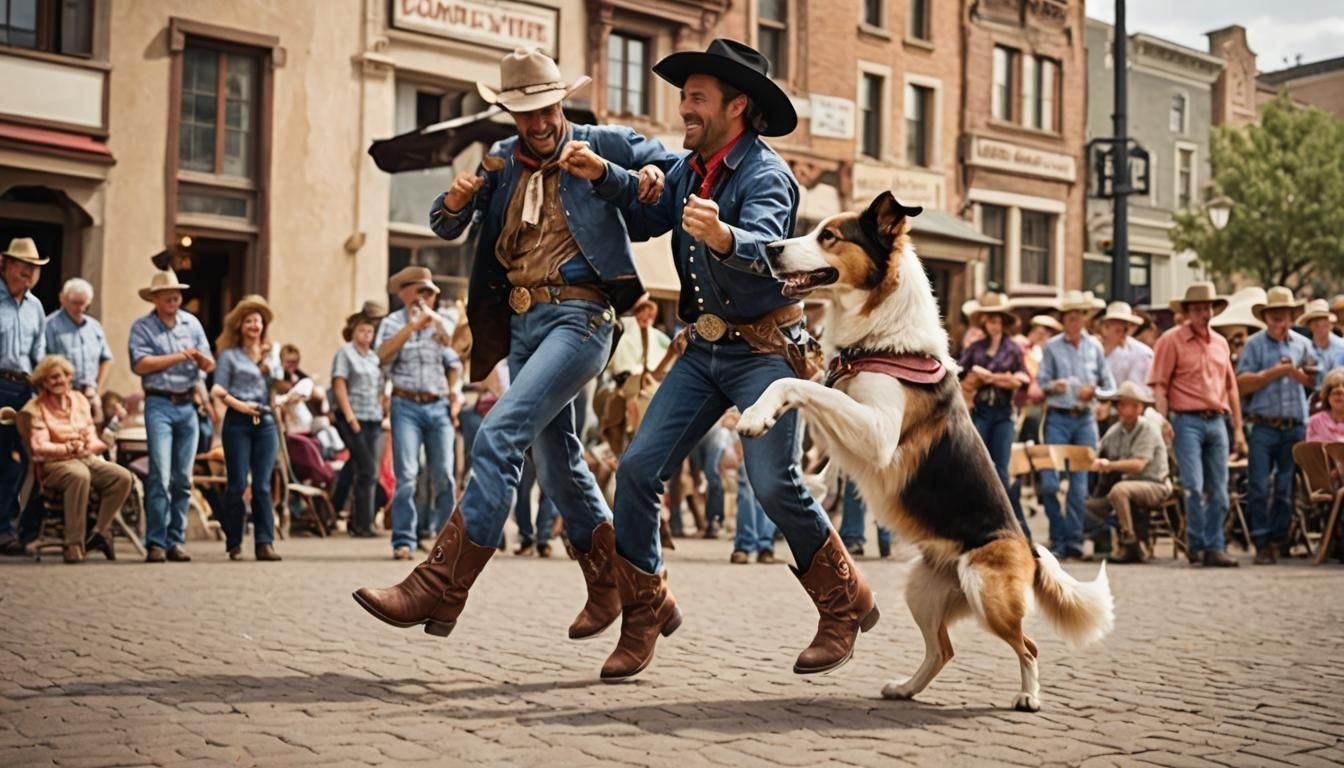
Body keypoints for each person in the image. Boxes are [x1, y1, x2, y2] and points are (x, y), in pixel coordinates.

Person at [564, 38, 875, 681]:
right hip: (703, 349)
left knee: (771, 483)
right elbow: (648, 208)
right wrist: (604, 175)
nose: (684, 108)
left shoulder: (766, 174)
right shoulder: (688, 168)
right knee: (639, 469)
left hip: (766, 353)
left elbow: (770, 244)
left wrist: (725, 236)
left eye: (696, 97)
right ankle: (644, 615)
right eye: (684, 96)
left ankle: (844, 606)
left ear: (737, 106)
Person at [354, 48, 674, 646]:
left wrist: (641, 178)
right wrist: (451, 203)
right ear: (511, 114)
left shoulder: (604, 140)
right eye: (526, 114)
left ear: (560, 103)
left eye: (547, 110)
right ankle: (634, 589)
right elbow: (447, 226)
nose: (540, 124)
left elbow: (675, 171)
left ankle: (440, 586)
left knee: (498, 435)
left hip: (581, 316)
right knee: (556, 462)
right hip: (523, 325)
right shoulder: (499, 160)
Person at [1148, 282, 1245, 568]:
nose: (1204, 312)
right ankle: (1197, 544)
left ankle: (1214, 546)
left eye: (1207, 307)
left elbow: (1232, 387)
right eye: (1198, 308)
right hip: (1186, 420)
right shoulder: (1171, 340)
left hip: (1217, 420)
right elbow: (1161, 385)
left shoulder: (1220, 343)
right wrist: (1163, 421)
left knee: (1220, 488)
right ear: (1188, 312)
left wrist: (1238, 429)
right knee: (1192, 486)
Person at [373, 267, 463, 559]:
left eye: (430, 293)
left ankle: (443, 542)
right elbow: (381, 356)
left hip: (438, 405)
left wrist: (454, 393)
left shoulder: (440, 322)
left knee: (445, 476)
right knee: (408, 475)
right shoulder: (391, 323)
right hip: (405, 405)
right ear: (405, 293)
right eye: (421, 291)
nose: (426, 297)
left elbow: (455, 359)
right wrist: (411, 327)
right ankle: (403, 540)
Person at [128, 269, 214, 563]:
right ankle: (155, 542)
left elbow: (209, 363)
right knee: (160, 476)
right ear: (155, 298)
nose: (175, 298)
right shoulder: (142, 327)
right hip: (159, 404)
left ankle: (176, 541)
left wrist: (202, 361)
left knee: (183, 479)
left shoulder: (192, 323)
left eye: (177, 294)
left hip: (187, 405)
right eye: (168, 295)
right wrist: (180, 356)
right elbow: (140, 365)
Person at [23, 355, 134, 563]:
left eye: (65, 375)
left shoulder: (80, 400)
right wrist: (66, 447)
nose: (60, 380)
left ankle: (98, 533)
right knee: (79, 475)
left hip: (85, 457)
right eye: (53, 377)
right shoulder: (36, 407)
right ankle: (73, 543)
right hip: (54, 465)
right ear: (44, 382)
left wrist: (98, 442)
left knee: (122, 477)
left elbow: (92, 437)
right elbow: (39, 447)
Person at [1237, 287, 1314, 565]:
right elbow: (1241, 383)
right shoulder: (1255, 345)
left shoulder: (1302, 345)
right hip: (1264, 426)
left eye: (1283, 314)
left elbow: (1313, 382)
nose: (1278, 319)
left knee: (1285, 487)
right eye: (1273, 314)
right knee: (1258, 485)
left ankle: (1277, 538)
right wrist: (1275, 373)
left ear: (1292, 316)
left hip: (1295, 424)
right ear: (1266, 316)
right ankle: (1260, 540)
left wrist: (1301, 375)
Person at [1036, 290, 1116, 559]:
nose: (1074, 320)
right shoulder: (1051, 347)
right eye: (1069, 316)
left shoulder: (1094, 347)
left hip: (1085, 420)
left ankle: (1073, 541)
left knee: (1080, 486)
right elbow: (1041, 383)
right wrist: (1054, 386)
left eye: (1078, 315)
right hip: (1058, 418)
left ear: (1083, 318)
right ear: (1063, 319)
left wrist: (1095, 392)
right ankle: (1058, 536)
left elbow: (1109, 386)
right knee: (1049, 484)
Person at [210, 295, 282, 562]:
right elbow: (217, 389)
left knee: (263, 485)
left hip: (265, 422)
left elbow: (278, 387)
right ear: (240, 325)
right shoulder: (229, 356)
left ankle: (265, 543)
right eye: (249, 320)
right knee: (238, 484)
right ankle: (234, 541)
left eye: (258, 321)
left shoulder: (269, 354)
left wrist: (279, 382)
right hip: (238, 422)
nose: (254, 325)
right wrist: (240, 406)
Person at [958, 292, 1030, 530]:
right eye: (989, 320)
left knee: (1000, 467)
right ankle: (979, 519)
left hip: (1003, 412)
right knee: (977, 465)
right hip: (980, 410)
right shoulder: (975, 348)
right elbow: (959, 373)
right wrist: (977, 380)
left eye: (997, 320)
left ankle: (1008, 522)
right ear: (984, 323)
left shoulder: (1014, 348)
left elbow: (1021, 378)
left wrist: (994, 378)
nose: (994, 325)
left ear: (1003, 323)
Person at [1083, 382, 1170, 564]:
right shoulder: (1114, 431)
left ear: (1140, 408)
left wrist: (1109, 465)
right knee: (1084, 506)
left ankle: (1130, 543)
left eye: (1132, 405)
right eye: (1122, 405)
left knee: (1119, 490)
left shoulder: (1148, 428)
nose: (1127, 410)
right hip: (1127, 485)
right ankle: (1105, 543)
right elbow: (1097, 453)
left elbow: (1138, 465)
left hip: (1155, 484)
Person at [0, 238, 47, 555]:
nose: (28, 272)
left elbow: (39, 351)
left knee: (31, 459)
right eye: (23, 266)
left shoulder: (36, 306)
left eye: (34, 268)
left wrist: (41, 389)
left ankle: (19, 528)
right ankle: (5, 530)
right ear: (5, 265)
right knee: (6, 460)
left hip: (26, 389)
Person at [331, 304, 387, 538]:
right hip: (352, 417)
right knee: (367, 470)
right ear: (354, 332)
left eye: (370, 332)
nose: (366, 335)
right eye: (362, 331)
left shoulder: (374, 358)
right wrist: (350, 416)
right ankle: (364, 524)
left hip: (373, 417)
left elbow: (381, 388)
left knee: (357, 466)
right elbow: (339, 383)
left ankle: (336, 510)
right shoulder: (345, 353)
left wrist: (385, 409)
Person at [45, 278, 112, 423]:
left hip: (90, 395)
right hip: (61, 397)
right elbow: (43, 364)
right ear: (63, 299)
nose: (80, 308)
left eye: (84, 303)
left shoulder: (95, 327)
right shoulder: (49, 326)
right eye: (75, 303)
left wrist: (98, 390)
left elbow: (106, 359)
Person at [721, 411, 777, 564]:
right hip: (749, 415)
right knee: (747, 482)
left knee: (770, 486)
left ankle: (765, 545)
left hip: (780, 417)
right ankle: (745, 545)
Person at [1298, 299, 1343, 391]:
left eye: (1323, 320)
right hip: (1313, 396)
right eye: (1315, 321)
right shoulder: (1304, 348)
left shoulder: (1342, 346)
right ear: (1309, 325)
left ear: (1329, 323)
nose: (1320, 325)